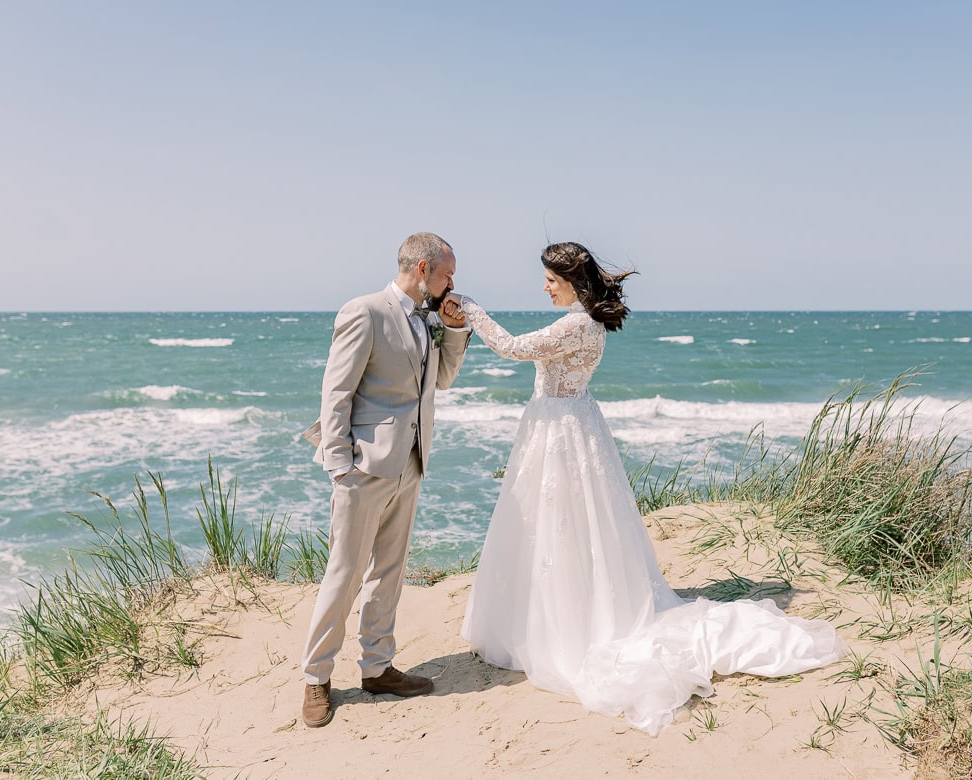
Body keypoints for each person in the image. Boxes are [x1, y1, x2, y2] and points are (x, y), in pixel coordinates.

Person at [447, 242, 845, 735]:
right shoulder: (585, 321)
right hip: (568, 424)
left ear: (573, 280)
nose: (544, 287)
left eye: (550, 279)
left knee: (561, 523)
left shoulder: (575, 324)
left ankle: (561, 623)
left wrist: (470, 309)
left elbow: (514, 347)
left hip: (561, 430)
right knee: (564, 523)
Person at [299, 232, 472, 728]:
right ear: (423, 269)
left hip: (412, 462)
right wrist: (339, 463)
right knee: (344, 574)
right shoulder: (364, 311)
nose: (451, 282)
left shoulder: (429, 319)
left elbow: (440, 381)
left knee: (389, 572)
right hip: (363, 468)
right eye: (447, 273)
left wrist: (454, 331)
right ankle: (316, 678)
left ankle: (377, 668)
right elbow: (337, 392)